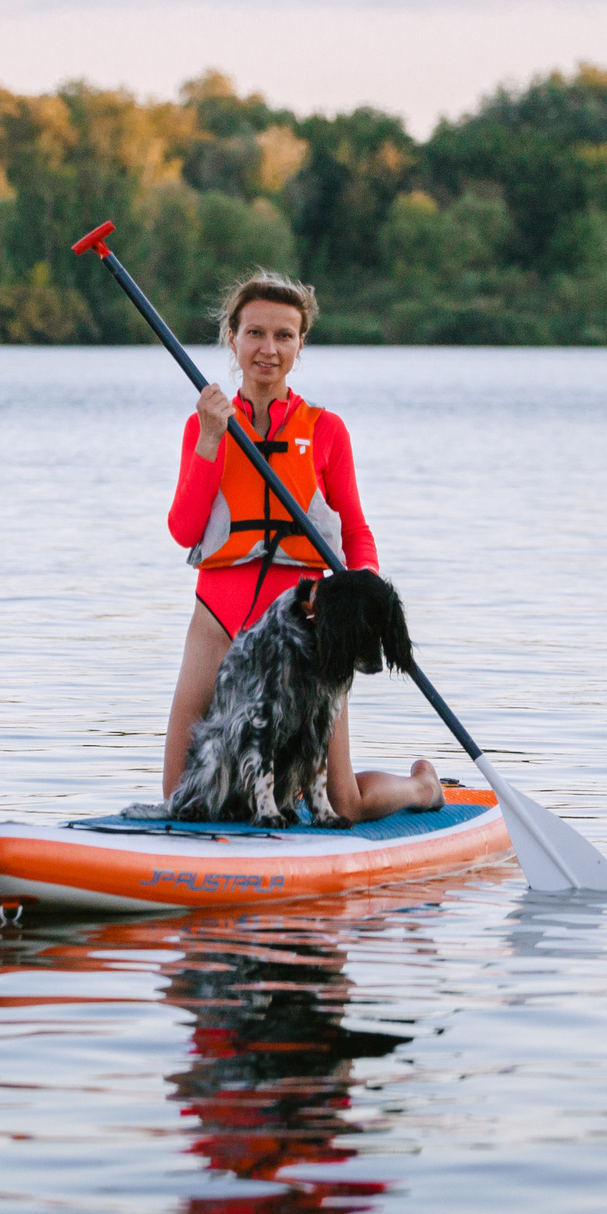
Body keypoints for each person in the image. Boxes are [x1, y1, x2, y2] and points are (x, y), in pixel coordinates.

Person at [164, 269, 442, 822]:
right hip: (219, 615)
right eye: (255, 333)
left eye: (284, 335)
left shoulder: (326, 431)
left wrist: (358, 588)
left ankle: (422, 788)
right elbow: (184, 531)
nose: (269, 349)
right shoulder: (206, 425)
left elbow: (357, 531)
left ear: (301, 343)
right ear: (233, 339)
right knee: (178, 797)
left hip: (307, 626)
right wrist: (213, 440)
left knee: (345, 802)